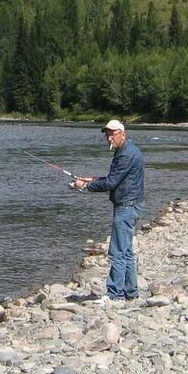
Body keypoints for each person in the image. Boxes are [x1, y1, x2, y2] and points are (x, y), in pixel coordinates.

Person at [70, 120, 145, 304]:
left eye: (112, 134)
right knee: (126, 251)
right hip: (130, 205)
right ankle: (130, 292)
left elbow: (111, 183)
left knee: (117, 251)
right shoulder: (126, 151)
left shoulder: (126, 155)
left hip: (126, 207)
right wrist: (91, 178)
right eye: (106, 134)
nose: (108, 137)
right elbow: (114, 178)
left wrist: (86, 186)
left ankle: (114, 294)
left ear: (122, 134)